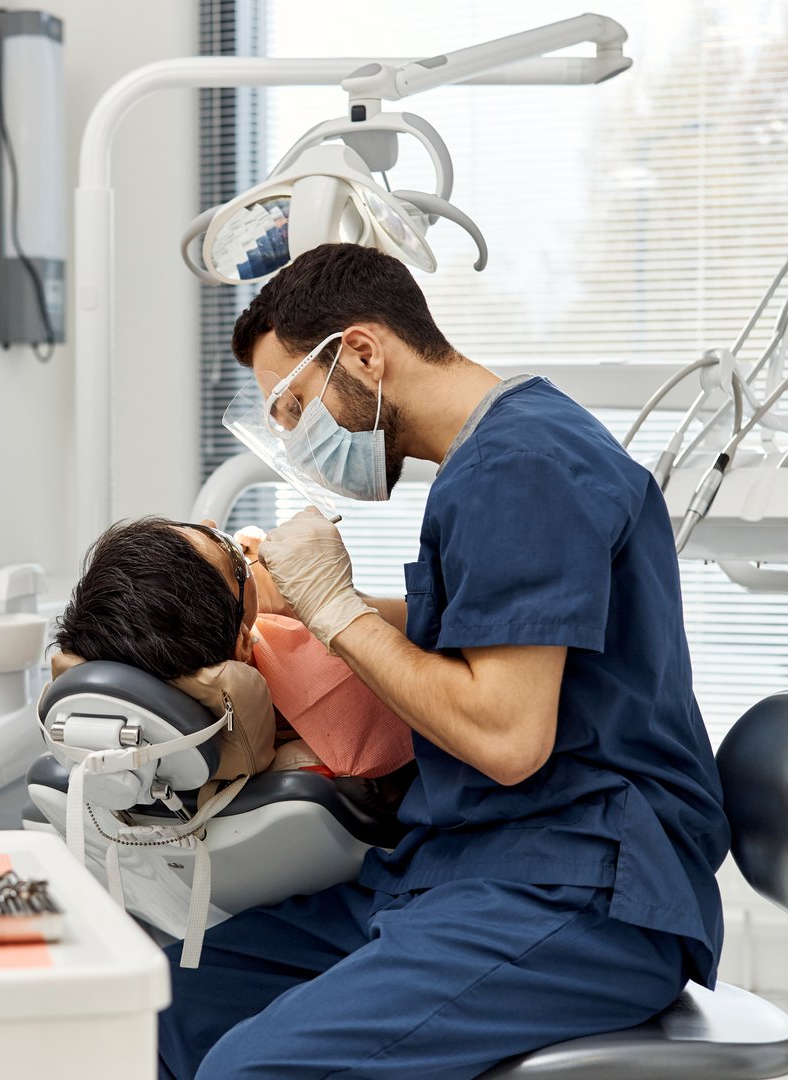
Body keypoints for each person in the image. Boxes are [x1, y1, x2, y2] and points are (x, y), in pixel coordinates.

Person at [157, 242, 730, 1080]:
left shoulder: (520, 466)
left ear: (361, 351)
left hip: (578, 890)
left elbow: (506, 736)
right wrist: (298, 605)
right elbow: (477, 632)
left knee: (251, 1069)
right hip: (465, 868)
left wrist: (339, 610)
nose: (296, 439)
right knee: (171, 1004)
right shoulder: (497, 456)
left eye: (294, 405)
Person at [52, 516, 414, 783]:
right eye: (235, 557)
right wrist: (330, 603)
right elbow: (438, 646)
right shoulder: (340, 691)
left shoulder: (147, 651)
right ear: (243, 644)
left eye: (202, 528)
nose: (211, 521)